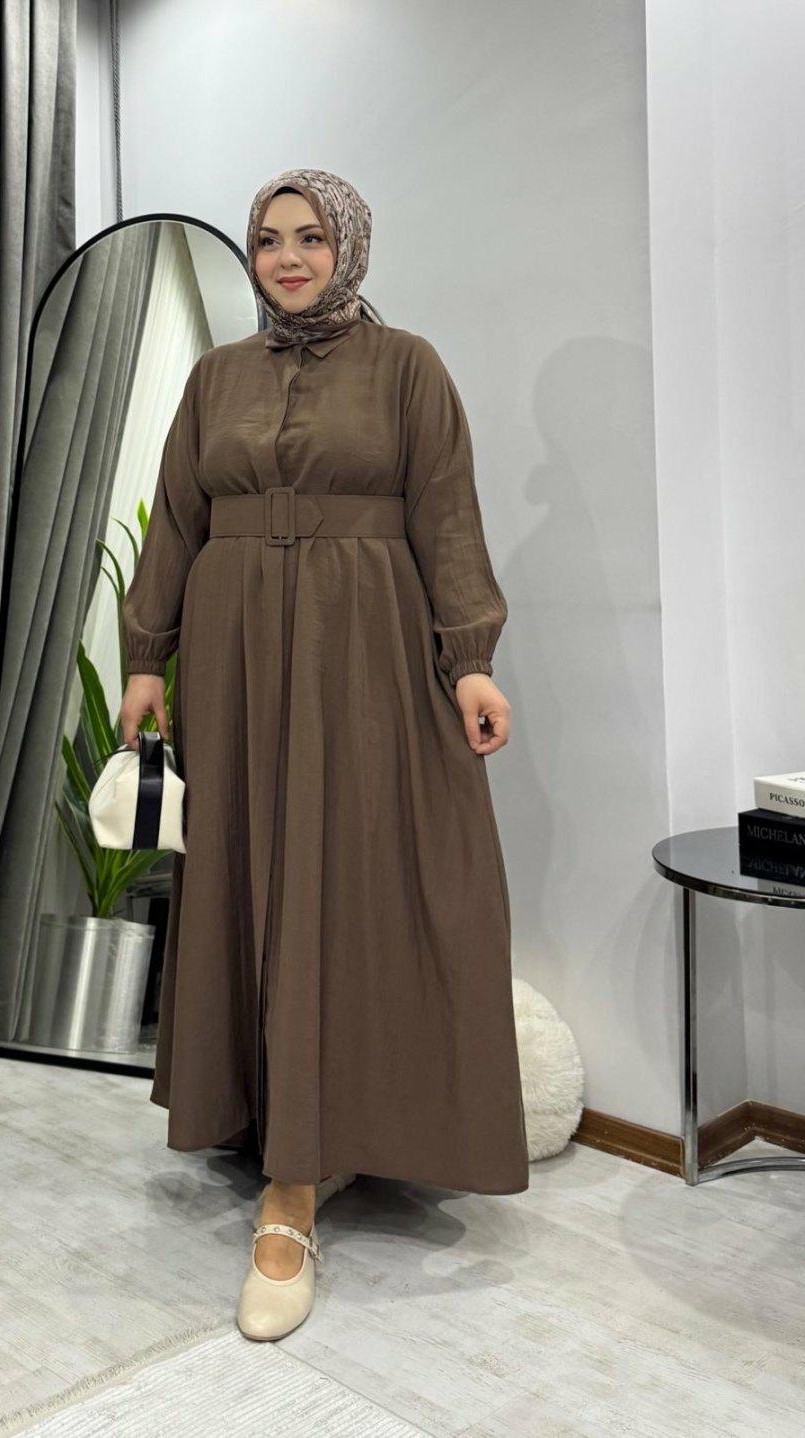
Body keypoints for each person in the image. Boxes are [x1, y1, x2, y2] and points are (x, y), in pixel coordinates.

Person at [119, 167, 529, 1341]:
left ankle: (327, 1150)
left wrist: (469, 660)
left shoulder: (408, 368)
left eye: (309, 237)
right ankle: (276, 1145)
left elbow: (446, 514)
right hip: (238, 655)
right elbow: (175, 520)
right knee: (253, 871)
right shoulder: (216, 377)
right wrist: (146, 658)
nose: (288, 257)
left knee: (368, 876)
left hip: (366, 651)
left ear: (347, 246)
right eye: (268, 239)